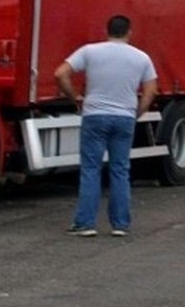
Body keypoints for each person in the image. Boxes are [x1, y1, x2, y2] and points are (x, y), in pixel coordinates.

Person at [54, 15, 158, 237]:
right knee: (120, 170)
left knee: (91, 169)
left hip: (95, 115)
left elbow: (60, 73)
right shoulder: (142, 58)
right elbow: (150, 91)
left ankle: (85, 224)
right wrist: (137, 112)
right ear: (130, 32)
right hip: (124, 118)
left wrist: (75, 97)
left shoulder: (90, 51)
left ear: (106, 30)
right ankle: (120, 224)